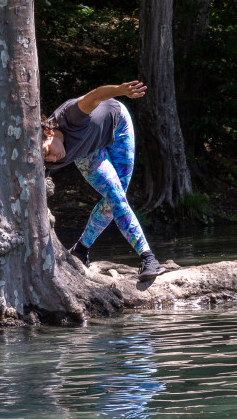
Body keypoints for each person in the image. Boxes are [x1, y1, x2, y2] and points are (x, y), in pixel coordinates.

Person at [42, 80, 166, 282]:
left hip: (117, 126)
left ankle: (81, 249)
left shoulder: (71, 116)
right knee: (115, 196)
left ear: (48, 133)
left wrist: (120, 90)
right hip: (89, 151)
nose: (53, 160)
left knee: (116, 199)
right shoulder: (43, 158)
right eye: (47, 160)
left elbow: (96, 95)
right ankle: (147, 257)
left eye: (48, 152)